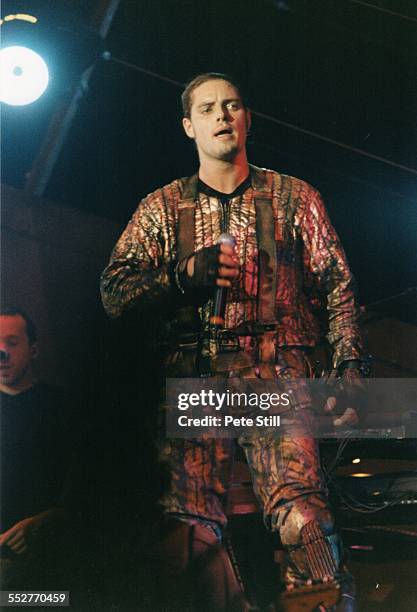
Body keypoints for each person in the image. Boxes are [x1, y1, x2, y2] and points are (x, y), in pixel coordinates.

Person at [100, 73, 367, 610]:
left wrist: (349, 362)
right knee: (190, 524)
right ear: (188, 125)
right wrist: (180, 277)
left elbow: (336, 281)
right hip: (196, 380)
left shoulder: (294, 198)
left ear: (247, 118)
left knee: (300, 511)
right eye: (207, 108)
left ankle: (326, 605)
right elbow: (114, 291)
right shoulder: (162, 207)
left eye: (232, 105)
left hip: (273, 377)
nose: (222, 116)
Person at [0, 309, 71, 588]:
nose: (1, 352)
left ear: (34, 349)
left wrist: (45, 522)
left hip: (50, 559)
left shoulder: (63, 407)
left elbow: (86, 486)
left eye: (12, 343)